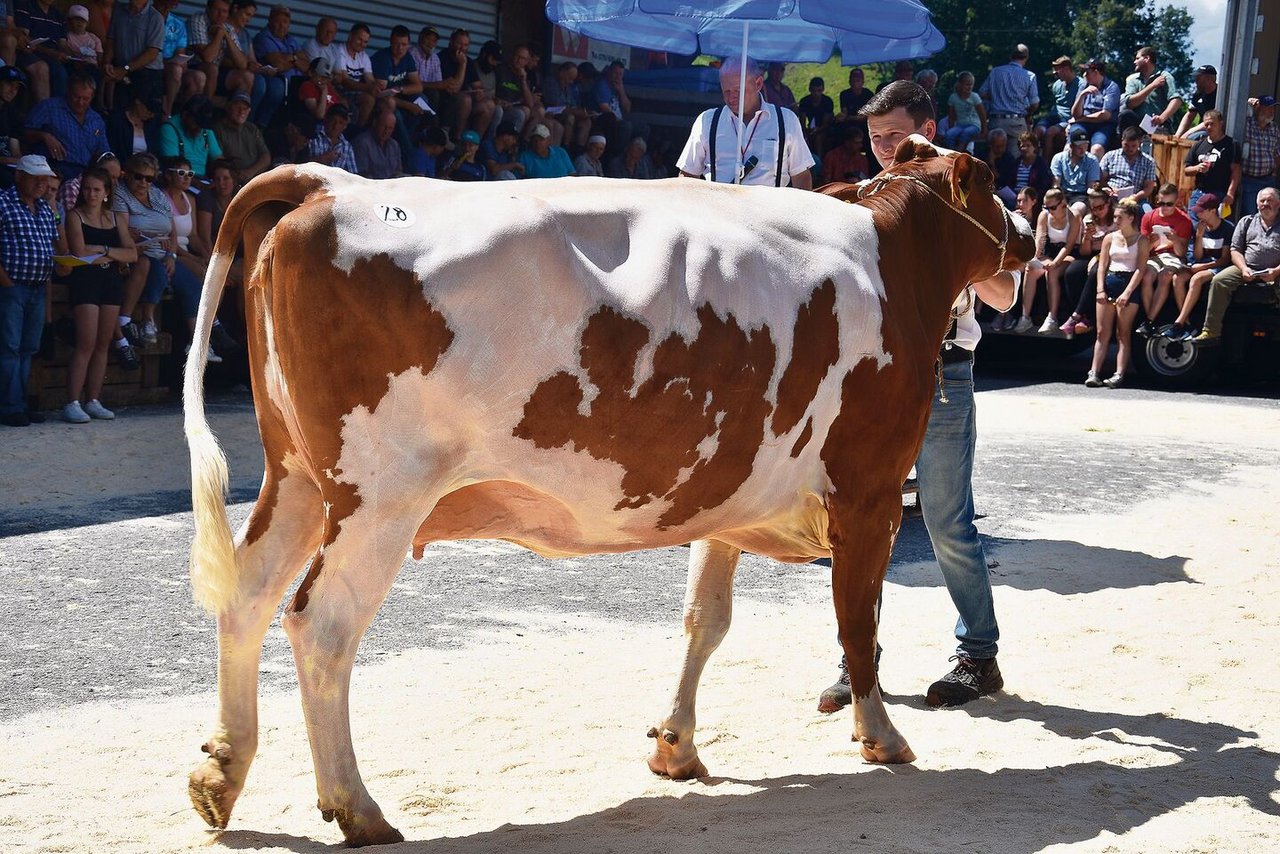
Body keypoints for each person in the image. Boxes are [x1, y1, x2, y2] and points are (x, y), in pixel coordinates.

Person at [818, 81, 1018, 712]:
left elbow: (1007, 294)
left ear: (928, 129)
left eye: (895, 137)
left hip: (943, 372)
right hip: (869, 376)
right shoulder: (865, 198)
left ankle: (978, 655)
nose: (883, 149)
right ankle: (858, 658)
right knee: (857, 516)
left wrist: (957, 263)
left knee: (947, 521)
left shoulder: (966, 188)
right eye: (875, 138)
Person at [61, 164, 136, 422]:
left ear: (106, 192)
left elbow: (132, 253)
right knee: (86, 343)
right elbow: (80, 252)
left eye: (96, 189)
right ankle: (71, 401)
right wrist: (114, 253)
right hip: (85, 281)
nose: (90, 194)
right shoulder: (75, 216)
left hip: (110, 281)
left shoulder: (116, 218)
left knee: (104, 343)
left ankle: (93, 399)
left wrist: (104, 250)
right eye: (87, 189)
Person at [676, 56, 813, 189]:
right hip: (719, 209)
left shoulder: (786, 120)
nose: (731, 97)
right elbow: (687, 175)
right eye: (726, 91)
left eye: (738, 90)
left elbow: (801, 176)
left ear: (758, 84)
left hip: (769, 210)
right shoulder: (707, 121)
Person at [0, 154, 60, 427]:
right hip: (13, 287)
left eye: (44, 178)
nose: (41, 183)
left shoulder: (45, 209)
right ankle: (11, 407)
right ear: (19, 176)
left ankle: (19, 405)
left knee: (26, 349)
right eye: (35, 177)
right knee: (11, 349)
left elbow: (54, 246)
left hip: (37, 288)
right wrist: (6, 283)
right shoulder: (2, 203)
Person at [1193, 186, 1280, 344]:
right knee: (1220, 281)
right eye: (1262, 201)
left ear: (1278, 204)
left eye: (1270, 200)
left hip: (1277, 270)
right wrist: (1244, 268)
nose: (1266, 203)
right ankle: (1211, 331)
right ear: (1256, 203)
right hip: (1247, 267)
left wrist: (1275, 271)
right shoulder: (1246, 221)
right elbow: (1235, 250)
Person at [1087, 197, 1150, 387]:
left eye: (1119, 217)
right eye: (1115, 217)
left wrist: (1127, 293)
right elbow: (1102, 265)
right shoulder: (1109, 238)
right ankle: (1094, 372)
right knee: (1101, 332)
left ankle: (1119, 373)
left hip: (1128, 284)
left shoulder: (1141, 240)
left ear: (1131, 218)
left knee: (1123, 333)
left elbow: (1140, 268)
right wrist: (1100, 289)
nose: (1116, 221)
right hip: (1109, 282)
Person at [1165, 193, 1234, 340]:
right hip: (1201, 264)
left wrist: (1202, 267)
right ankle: (1187, 322)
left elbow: (1224, 259)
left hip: (1216, 266)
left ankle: (1178, 323)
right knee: (1178, 278)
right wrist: (1199, 237)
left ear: (1213, 210)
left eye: (1202, 211)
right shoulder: (1199, 227)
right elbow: (1197, 256)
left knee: (1196, 278)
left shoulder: (1227, 229)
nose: (1198, 214)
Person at [1014, 186, 1079, 334]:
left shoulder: (1074, 217)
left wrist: (1055, 262)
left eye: (1053, 207)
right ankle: (1025, 316)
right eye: (1046, 207)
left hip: (1067, 253)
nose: (1049, 211)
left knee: (1052, 272)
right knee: (1031, 269)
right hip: (1049, 253)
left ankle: (1052, 317)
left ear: (1063, 204)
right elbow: (1040, 239)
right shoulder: (1044, 215)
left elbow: (1069, 246)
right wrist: (1034, 258)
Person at [23, 75, 108, 181]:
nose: (80, 102)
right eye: (76, 97)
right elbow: (24, 132)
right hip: (56, 169)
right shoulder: (49, 107)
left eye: (85, 99)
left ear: (93, 97)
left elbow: (103, 152)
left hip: (86, 174)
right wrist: (44, 136)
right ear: (68, 91)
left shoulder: (97, 120)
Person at [1059, 187, 1118, 337]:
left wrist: (1098, 256)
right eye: (1094, 208)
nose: (1097, 211)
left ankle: (1078, 315)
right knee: (1072, 272)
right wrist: (1087, 238)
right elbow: (1084, 252)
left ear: (1108, 203)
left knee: (1095, 272)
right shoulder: (1088, 220)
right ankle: (1083, 314)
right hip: (1091, 254)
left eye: (1100, 207)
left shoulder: (1116, 221)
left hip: (1112, 256)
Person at [1137, 183, 1193, 334]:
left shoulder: (1184, 220)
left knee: (1165, 276)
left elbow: (1181, 254)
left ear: (1176, 203)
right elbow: (1144, 251)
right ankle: (1150, 321)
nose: (1164, 207)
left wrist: (1175, 240)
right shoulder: (1149, 217)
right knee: (1146, 276)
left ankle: (1149, 320)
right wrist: (1151, 242)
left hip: (1173, 255)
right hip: (1154, 255)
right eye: (1161, 203)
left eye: (1168, 204)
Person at [251, 4, 307, 127]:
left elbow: (307, 66)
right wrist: (296, 58)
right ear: (270, 20)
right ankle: (260, 125)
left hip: (295, 85)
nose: (282, 25)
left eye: (285, 22)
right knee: (277, 88)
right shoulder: (263, 38)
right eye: (278, 21)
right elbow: (277, 65)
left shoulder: (292, 40)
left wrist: (291, 59)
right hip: (274, 79)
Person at [102, 0, 164, 105]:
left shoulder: (155, 17)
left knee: (140, 114)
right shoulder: (119, 11)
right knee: (120, 111)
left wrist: (125, 69)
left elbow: (152, 53)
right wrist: (107, 62)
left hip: (147, 74)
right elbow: (111, 41)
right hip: (123, 70)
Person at [1184, 110, 1241, 221]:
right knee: (1193, 225)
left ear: (1221, 123)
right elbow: (1186, 170)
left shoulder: (1232, 144)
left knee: (1216, 227)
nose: (1209, 127)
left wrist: (1230, 194)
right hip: (1199, 192)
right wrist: (1197, 168)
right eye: (1206, 124)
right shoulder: (1198, 145)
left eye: (1212, 124)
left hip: (1220, 193)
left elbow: (1236, 171)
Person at [977, 43, 1038, 139]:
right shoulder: (1029, 76)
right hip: (1017, 123)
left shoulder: (995, 72)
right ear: (1026, 57)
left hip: (996, 121)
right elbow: (1034, 103)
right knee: (1017, 152)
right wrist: (1028, 114)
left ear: (1010, 56)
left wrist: (997, 96)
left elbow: (982, 93)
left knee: (994, 152)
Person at [156, 93, 222, 179]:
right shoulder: (169, 128)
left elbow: (219, 160)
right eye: (196, 123)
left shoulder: (205, 129)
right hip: (179, 179)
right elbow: (173, 168)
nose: (199, 129)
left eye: (202, 125)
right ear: (185, 115)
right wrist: (202, 187)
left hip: (203, 179)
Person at [1119, 46, 1181, 137]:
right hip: (1137, 125)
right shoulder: (1132, 79)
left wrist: (1161, 118)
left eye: (1137, 58)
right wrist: (1152, 86)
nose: (1134, 62)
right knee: (1125, 115)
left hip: (1157, 125)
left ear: (1146, 58)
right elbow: (1131, 103)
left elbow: (1176, 100)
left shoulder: (1165, 76)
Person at [1069, 59, 1120, 161]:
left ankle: (1094, 176)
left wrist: (1080, 119)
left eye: (1087, 72)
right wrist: (1082, 95)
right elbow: (1075, 114)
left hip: (1103, 126)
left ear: (1096, 72)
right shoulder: (1083, 85)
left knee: (1097, 149)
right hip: (1082, 126)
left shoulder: (1111, 87)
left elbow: (1105, 115)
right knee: (1075, 145)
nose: (1084, 75)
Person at [213, 90, 268, 183]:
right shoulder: (218, 129)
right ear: (228, 107)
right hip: (231, 180)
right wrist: (238, 175)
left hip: (253, 178)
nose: (241, 111)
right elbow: (219, 162)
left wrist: (250, 172)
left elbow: (266, 156)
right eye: (237, 107)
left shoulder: (252, 128)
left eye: (245, 108)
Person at [1239, 96, 1280, 218]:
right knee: (1251, 214)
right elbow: (1235, 105)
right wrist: (1249, 102)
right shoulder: (1247, 124)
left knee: (1270, 215)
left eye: (1273, 108)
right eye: (1268, 108)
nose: (1271, 111)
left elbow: (1277, 152)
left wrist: (1275, 171)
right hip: (1249, 180)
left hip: (1268, 179)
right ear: (1258, 108)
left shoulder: (1274, 128)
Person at [1099, 126, 1158, 203]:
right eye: (1126, 145)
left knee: (1147, 211)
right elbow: (1101, 178)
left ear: (1139, 143)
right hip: (1111, 196)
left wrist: (1137, 197)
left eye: (1133, 146)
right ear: (1122, 141)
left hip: (1136, 199)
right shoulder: (1110, 156)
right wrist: (1109, 189)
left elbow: (1149, 187)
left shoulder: (1149, 162)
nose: (1130, 149)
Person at [1051, 128, 1101, 210]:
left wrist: (1093, 191)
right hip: (1062, 194)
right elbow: (1056, 184)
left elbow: (1091, 186)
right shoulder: (1058, 158)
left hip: (1081, 196)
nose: (1083, 150)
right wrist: (1061, 200)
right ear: (1071, 146)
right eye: (1079, 147)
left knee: (1076, 210)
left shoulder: (1092, 160)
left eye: (1085, 146)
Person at [1039, 56, 1079, 156]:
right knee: (1038, 130)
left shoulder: (1081, 84)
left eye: (1058, 70)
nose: (1055, 73)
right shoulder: (1057, 84)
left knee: (1050, 133)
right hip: (1053, 116)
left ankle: (1046, 166)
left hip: (1066, 118)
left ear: (1066, 69)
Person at [307, 102, 356, 173]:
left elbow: (352, 175)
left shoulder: (347, 147)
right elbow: (299, 164)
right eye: (333, 121)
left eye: (340, 123)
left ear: (345, 126)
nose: (335, 126)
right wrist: (321, 159)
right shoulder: (313, 137)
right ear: (326, 120)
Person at [352, 108, 401, 179]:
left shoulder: (394, 145)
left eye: (390, 128)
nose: (386, 131)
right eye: (384, 126)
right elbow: (361, 174)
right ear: (375, 123)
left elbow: (398, 171)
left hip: (391, 187)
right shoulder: (363, 142)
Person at [943, 71, 985, 152]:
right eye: (967, 85)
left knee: (966, 132)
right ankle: (950, 152)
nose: (969, 87)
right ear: (960, 84)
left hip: (974, 125)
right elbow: (951, 116)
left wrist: (984, 130)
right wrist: (952, 128)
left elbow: (982, 114)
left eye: (971, 85)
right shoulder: (953, 97)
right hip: (960, 125)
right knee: (949, 134)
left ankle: (959, 152)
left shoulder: (974, 97)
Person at [1174, 65, 1217, 139]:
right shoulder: (1198, 94)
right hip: (1201, 130)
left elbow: (1212, 119)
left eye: (1198, 78)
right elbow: (1189, 116)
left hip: (1213, 131)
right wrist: (1177, 135)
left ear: (1209, 79)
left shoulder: (1220, 95)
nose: (1195, 80)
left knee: (1193, 138)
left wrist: (1188, 132)